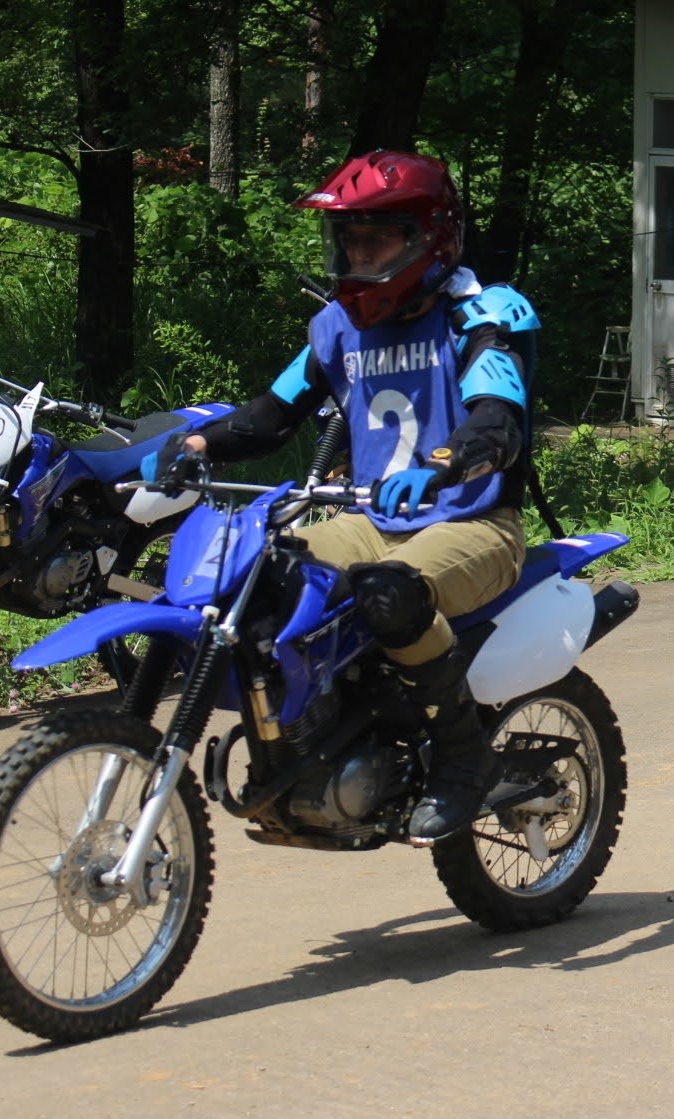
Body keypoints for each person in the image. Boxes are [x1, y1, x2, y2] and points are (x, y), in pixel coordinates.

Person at [142, 150, 537, 844]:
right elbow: (270, 414)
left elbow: (496, 419)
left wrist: (444, 466)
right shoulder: (337, 328)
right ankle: (303, 748)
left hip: (475, 522)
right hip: (371, 518)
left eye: (377, 238)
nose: (359, 254)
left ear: (430, 238)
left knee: (390, 591)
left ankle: (461, 759)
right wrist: (197, 444)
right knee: (258, 579)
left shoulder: (480, 314)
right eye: (349, 239)